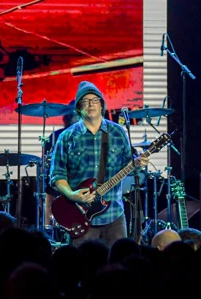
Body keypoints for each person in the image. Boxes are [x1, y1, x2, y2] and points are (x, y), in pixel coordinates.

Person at [49, 81, 148, 247]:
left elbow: (127, 166)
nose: (90, 104)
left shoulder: (118, 133)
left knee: (117, 266)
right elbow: (57, 175)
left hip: (114, 215)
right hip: (80, 217)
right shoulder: (66, 137)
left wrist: (138, 164)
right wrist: (72, 194)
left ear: (102, 105)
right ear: (79, 108)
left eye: (95, 100)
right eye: (85, 101)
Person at [44, 101, 79, 228]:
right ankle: (48, 226)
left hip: (85, 179)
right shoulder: (57, 136)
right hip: (61, 176)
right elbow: (49, 165)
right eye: (76, 114)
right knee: (51, 183)